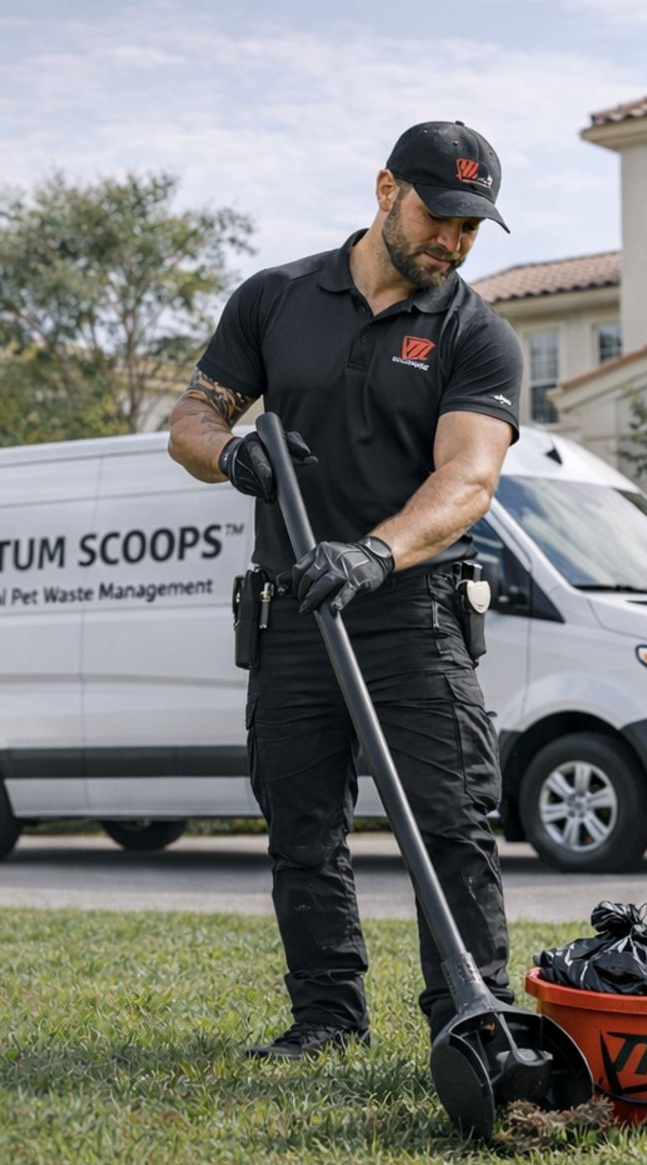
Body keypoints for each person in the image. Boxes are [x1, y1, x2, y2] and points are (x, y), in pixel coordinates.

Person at [167, 121, 524, 1059]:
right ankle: (327, 1019)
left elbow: (468, 480)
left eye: (471, 227)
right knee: (302, 822)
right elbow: (193, 417)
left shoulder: (475, 332)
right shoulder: (276, 299)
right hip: (292, 613)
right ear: (384, 190)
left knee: (451, 821)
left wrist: (375, 552)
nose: (451, 240)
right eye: (439, 215)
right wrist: (232, 453)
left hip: (410, 612)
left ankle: (470, 1019)